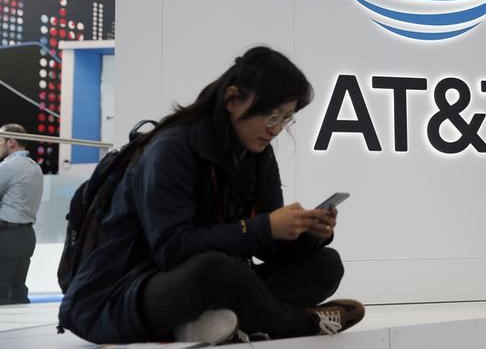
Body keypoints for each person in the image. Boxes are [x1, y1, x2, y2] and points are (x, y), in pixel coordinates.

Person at [58, 46, 364, 344]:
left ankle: (206, 325)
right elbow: (173, 250)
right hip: (124, 294)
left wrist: (308, 233)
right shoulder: (170, 150)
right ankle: (302, 323)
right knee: (217, 271)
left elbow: (267, 246)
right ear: (233, 99)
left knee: (325, 264)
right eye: (271, 116)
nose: (276, 129)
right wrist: (264, 226)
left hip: (210, 285)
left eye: (285, 119)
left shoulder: (258, 155)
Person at [0, 123, 44, 305]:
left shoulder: (10, 166)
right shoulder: (35, 167)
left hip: (7, 235)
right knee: (18, 293)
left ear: (11, 142)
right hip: (26, 236)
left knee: (2, 294)